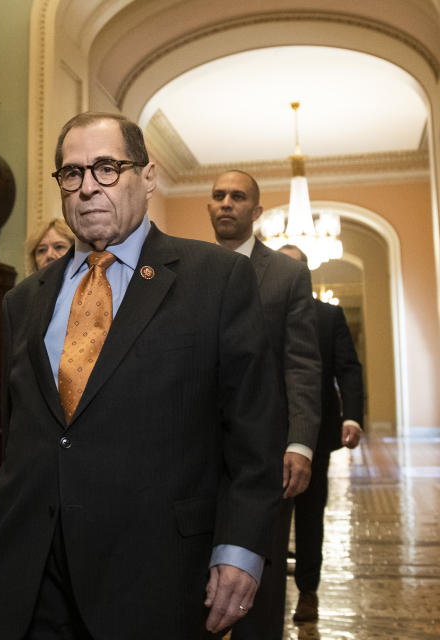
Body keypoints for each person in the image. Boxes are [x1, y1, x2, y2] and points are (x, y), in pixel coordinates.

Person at [0, 112, 283, 638]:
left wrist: (242, 548)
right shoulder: (24, 299)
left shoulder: (217, 279)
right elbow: (20, 431)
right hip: (30, 575)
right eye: (72, 173)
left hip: (155, 576)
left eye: (107, 168)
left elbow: (254, 433)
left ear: (148, 177)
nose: (88, 187)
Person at [207, 170, 322, 639]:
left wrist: (300, 442)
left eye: (238, 196)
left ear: (256, 211)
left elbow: (302, 364)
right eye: (218, 196)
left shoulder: (286, 274)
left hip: (267, 453)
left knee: (262, 569)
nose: (226, 203)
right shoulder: (189, 269)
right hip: (199, 450)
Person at [278, 244, 364, 624]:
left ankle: (308, 592)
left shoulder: (328, 316)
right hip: (263, 433)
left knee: (311, 514)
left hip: (316, 432)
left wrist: (353, 416)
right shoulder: (257, 307)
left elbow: (348, 368)